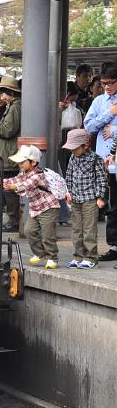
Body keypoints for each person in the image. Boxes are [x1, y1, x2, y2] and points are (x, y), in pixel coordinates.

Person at [0, 145, 60, 269]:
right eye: (19, 162)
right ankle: (40, 253)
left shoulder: (38, 174)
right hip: (35, 208)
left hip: (48, 207)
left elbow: (26, 185)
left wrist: (13, 187)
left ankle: (52, 258)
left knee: (47, 234)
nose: (20, 164)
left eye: (22, 162)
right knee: (29, 231)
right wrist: (1, 181)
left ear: (33, 162)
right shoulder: (23, 172)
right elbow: (15, 180)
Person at [83, 64, 117, 262]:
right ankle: (113, 245)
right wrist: (110, 113)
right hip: (104, 161)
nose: (107, 87)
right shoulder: (98, 102)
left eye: (111, 83)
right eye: (104, 84)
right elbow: (89, 126)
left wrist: (113, 131)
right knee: (109, 204)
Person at [63, 129, 107, 269]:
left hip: (90, 199)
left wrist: (100, 197)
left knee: (89, 229)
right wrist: (67, 192)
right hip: (75, 198)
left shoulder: (95, 158)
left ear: (86, 145)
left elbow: (101, 178)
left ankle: (91, 257)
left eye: (75, 148)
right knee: (76, 229)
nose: (73, 151)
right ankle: (78, 255)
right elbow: (68, 175)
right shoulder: (72, 158)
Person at [0, 76, 22, 231]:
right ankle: (13, 219)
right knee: (7, 188)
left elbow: (7, 130)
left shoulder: (15, 107)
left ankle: (14, 220)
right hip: (8, 154)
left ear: (9, 92)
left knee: (9, 189)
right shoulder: (12, 106)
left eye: (3, 93)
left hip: (10, 155)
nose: (1, 97)